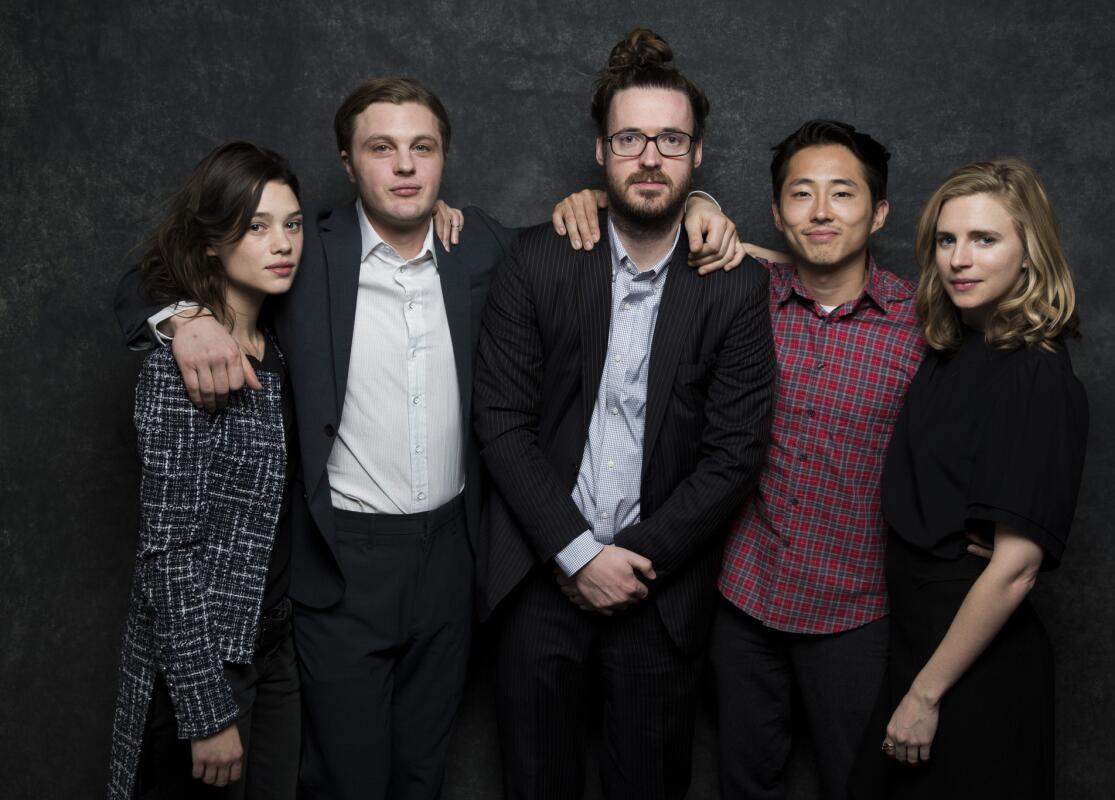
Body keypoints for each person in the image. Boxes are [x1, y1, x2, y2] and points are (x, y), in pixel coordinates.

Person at [113, 77, 744, 799]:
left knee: (424, 775)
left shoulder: (480, 246)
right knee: (344, 780)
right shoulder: (300, 251)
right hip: (340, 568)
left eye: (423, 148)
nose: (405, 166)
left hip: (452, 560)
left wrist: (702, 203)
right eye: (382, 149)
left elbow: (631, 214)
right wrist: (184, 320)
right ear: (348, 164)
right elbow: (142, 281)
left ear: (444, 159)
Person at [553, 120, 928, 800]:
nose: (819, 212)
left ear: (878, 213)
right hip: (746, 602)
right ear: (778, 210)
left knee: (862, 784)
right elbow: (653, 218)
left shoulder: (924, 325)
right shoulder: (742, 289)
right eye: (800, 194)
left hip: (857, 610)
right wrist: (690, 205)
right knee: (741, 782)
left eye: (842, 195)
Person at [473, 28, 776, 800]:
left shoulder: (733, 286)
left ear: (698, 155)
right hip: (540, 581)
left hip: (659, 590)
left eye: (671, 139)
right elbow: (501, 421)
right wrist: (577, 554)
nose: (651, 156)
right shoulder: (537, 260)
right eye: (631, 137)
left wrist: (631, 561)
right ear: (601, 150)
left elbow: (734, 452)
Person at [849, 159, 1088, 798]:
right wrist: (708, 219)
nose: (960, 258)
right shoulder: (959, 346)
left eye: (985, 239)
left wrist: (925, 695)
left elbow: (1015, 567)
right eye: (947, 240)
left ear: (1029, 254)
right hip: (920, 640)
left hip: (971, 668)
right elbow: (825, 278)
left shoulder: (1034, 375)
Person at [107, 141, 304, 800]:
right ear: (214, 243)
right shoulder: (180, 366)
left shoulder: (279, 347)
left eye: (293, 224)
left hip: (275, 648)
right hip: (207, 663)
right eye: (257, 226)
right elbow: (168, 554)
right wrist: (204, 711)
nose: (283, 243)